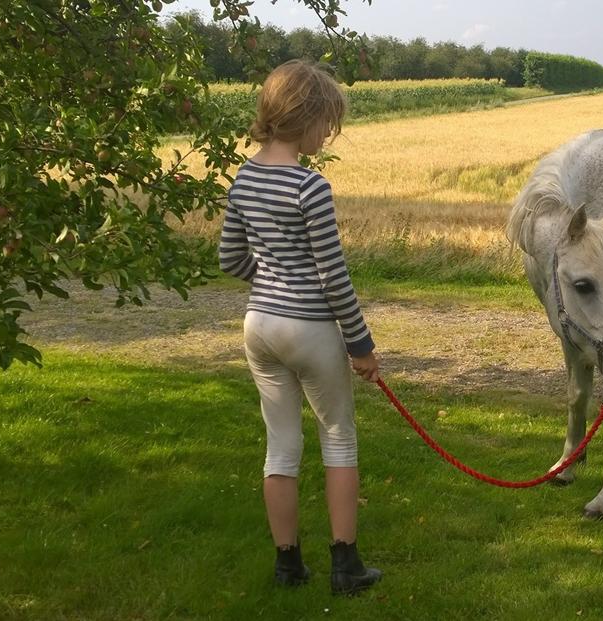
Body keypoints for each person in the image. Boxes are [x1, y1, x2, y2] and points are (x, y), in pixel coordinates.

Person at [218, 59, 382, 596]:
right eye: (326, 123)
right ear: (306, 117)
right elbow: (334, 279)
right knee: (339, 439)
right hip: (309, 329)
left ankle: (288, 565)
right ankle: (346, 566)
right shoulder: (310, 187)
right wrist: (361, 346)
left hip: (259, 326)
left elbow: (230, 260)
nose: (327, 135)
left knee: (280, 447)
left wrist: (271, 281)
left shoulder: (243, 178)